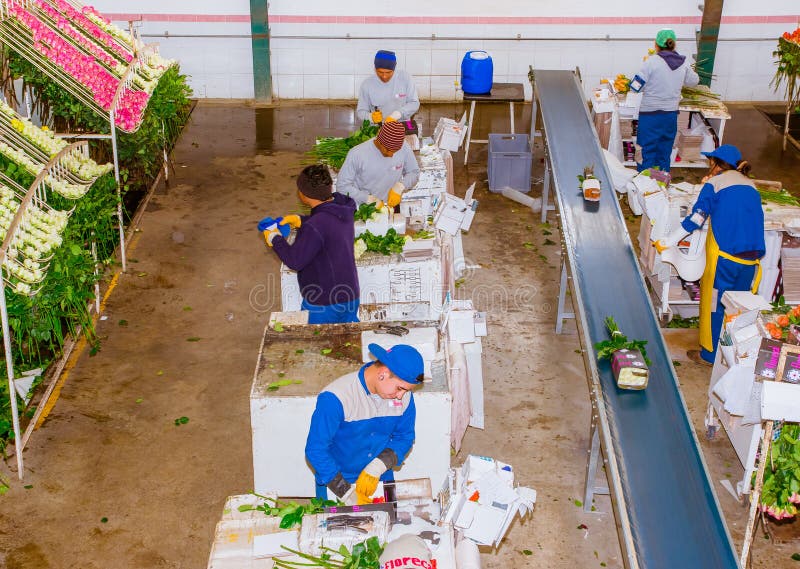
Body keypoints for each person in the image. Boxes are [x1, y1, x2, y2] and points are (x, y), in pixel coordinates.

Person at [653, 145, 765, 366]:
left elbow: (696, 220)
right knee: (737, 309)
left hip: (725, 259)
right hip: (751, 261)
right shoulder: (751, 186)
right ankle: (734, 356)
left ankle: (709, 356)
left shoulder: (715, 184)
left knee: (716, 305)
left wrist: (668, 241)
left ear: (715, 163)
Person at [305, 343, 424, 503]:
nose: (401, 397)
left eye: (406, 390)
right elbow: (316, 450)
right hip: (336, 480)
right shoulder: (337, 398)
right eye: (399, 388)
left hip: (379, 477)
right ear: (383, 373)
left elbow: (404, 437)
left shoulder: (404, 397)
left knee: (389, 525)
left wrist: (377, 467)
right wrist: (345, 492)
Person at [260, 164, 360, 324]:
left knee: (318, 345)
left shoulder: (314, 227)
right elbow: (328, 224)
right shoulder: (344, 207)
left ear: (303, 194)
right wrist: (301, 220)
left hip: (324, 302)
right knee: (346, 342)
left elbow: (295, 261)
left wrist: (274, 238)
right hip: (350, 296)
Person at [631, 29, 699, 173]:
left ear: (656, 44)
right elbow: (694, 81)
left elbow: (635, 87)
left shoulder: (651, 62)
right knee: (664, 150)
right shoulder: (683, 62)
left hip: (650, 116)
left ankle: (645, 184)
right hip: (670, 115)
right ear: (674, 44)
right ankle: (662, 183)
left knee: (645, 151)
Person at [336, 121, 419, 207]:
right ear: (379, 141)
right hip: (364, 208)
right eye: (387, 150)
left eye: (395, 151)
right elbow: (342, 186)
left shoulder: (404, 148)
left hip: (390, 206)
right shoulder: (357, 154)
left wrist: (401, 186)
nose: (391, 155)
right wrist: (367, 198)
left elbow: (414, 172)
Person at [356, 50, 420, 125]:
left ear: (394, 68)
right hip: (378, 128)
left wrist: (397, 114)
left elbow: (414, 103)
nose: (384, 76)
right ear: (375, 68)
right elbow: (361, 111)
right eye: (380, 72)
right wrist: (370, 117)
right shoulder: (367, 84)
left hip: (403, 125)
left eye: (388, 72)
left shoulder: (405, 78)